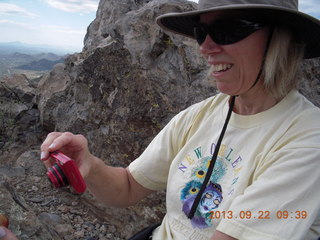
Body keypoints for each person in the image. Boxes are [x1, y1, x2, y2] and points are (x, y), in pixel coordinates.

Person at [1, 0, 320, 239]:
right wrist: (88, 163)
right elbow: (127, 187)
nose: (206, 47)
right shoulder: (203, 114)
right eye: (201, 32)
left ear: (281, 39)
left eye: (227, 30)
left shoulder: (307, 138)